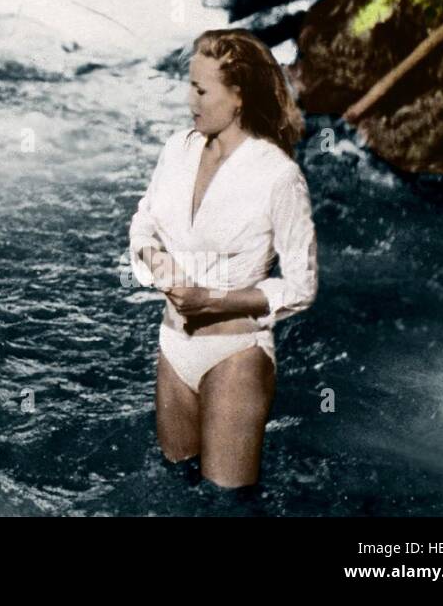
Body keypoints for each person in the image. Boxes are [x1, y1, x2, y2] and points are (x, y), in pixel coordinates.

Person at [128, 28, 317, 488]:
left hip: (236, 354)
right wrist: (159, 263)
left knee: (226, 505)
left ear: (238, 97)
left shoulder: (278, 176)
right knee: (178, 488)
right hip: (173, 348)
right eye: (189, 86)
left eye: (200, 89)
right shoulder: (178, 148)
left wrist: (214, 300)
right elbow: (142, 224)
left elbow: (300, 286)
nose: (189, 100)